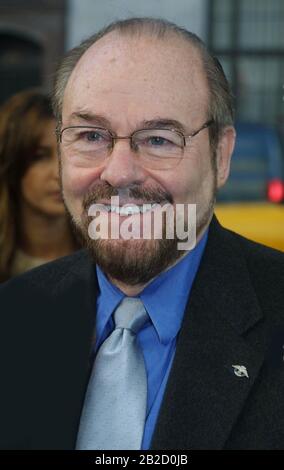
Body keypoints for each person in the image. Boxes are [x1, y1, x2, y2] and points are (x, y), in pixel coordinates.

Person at [0, 18, 283, 450]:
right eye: (91, 135)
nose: (117, 173)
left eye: (158, 139)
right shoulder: (14, 316)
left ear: (221, 157)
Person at [0, 89, 80, 282]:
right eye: (40, 157)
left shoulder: (104, 262)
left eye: (69, 154)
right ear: (11, 161)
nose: (59, 173)